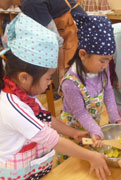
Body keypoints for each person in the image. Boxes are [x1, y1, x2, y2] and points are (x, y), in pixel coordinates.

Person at [0, 13, 110, 180]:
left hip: (31, 167)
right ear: (24, 77)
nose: (49, 84)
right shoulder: (13, 107)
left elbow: (47, 117)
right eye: (48, 78)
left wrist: (72, 132)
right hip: (17, 174)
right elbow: (52, 139)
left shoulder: (23, 95)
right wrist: (91, 156)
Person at [61, 14, 121, 147]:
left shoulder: (101, 70)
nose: (106, 65)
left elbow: (108, 92)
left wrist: (115, 118)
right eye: (102, 60)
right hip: (74, 132)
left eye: (109, 60)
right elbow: (80, 112)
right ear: (83, 54)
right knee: (74, 164)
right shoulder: (70, 82)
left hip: (93, 128)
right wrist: (95, 130)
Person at [0, 0, 87, 82]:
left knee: (70, 83)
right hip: (79, 34)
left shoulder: (30, 3)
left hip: (74, 39)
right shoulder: (25, 3)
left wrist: (61, 71)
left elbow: (56, 41)